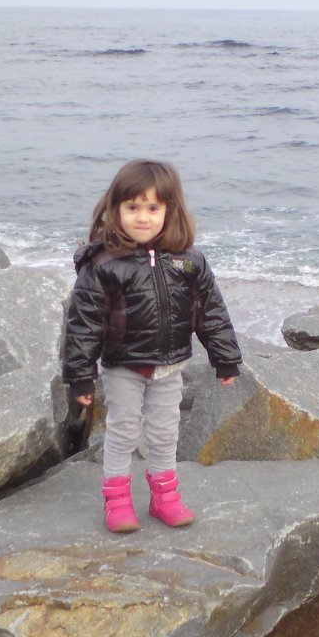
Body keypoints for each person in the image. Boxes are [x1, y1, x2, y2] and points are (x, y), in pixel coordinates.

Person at [63, 158, 243, 533]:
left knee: (165, 432)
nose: (142, 217)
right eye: (132, 208)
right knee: (123, 430)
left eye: (152, 208)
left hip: (170, 366)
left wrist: (225, 358)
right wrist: (80, 377)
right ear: (115, 209)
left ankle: (165, 497)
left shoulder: (189, 261)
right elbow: (84, 324)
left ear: (169, 210)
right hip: (123, 366)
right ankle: (117, 500)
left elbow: (211, 311)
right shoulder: (103, 264)